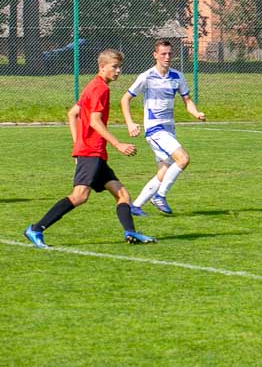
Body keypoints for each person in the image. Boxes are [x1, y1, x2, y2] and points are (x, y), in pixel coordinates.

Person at [24, 49, 156, 248]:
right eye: (114, 67)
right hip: (91, 153)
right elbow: (94, 121)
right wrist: (117, 144)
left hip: (92, 153)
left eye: (119, 67)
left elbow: (72, 114)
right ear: (102, 67)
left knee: (122, 194)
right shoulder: (100, 89)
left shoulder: (92, 86)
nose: (118, 71)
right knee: (79, 196)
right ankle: (36, 229)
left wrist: (77, 145)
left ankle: (130, 232)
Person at [121, 39, 206, 216]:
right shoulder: (147, 76)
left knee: (164, 171)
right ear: (155, 55)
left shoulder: (177, 76)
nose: (167, 57)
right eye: (163, 54)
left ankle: (135, 206)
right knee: (183, 159)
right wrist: (130, 123)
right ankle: (160, 196)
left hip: (169, 129)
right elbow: (125, 99)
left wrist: (196, 113)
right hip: (154, 129)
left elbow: (187, 101)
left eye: (169, 54)